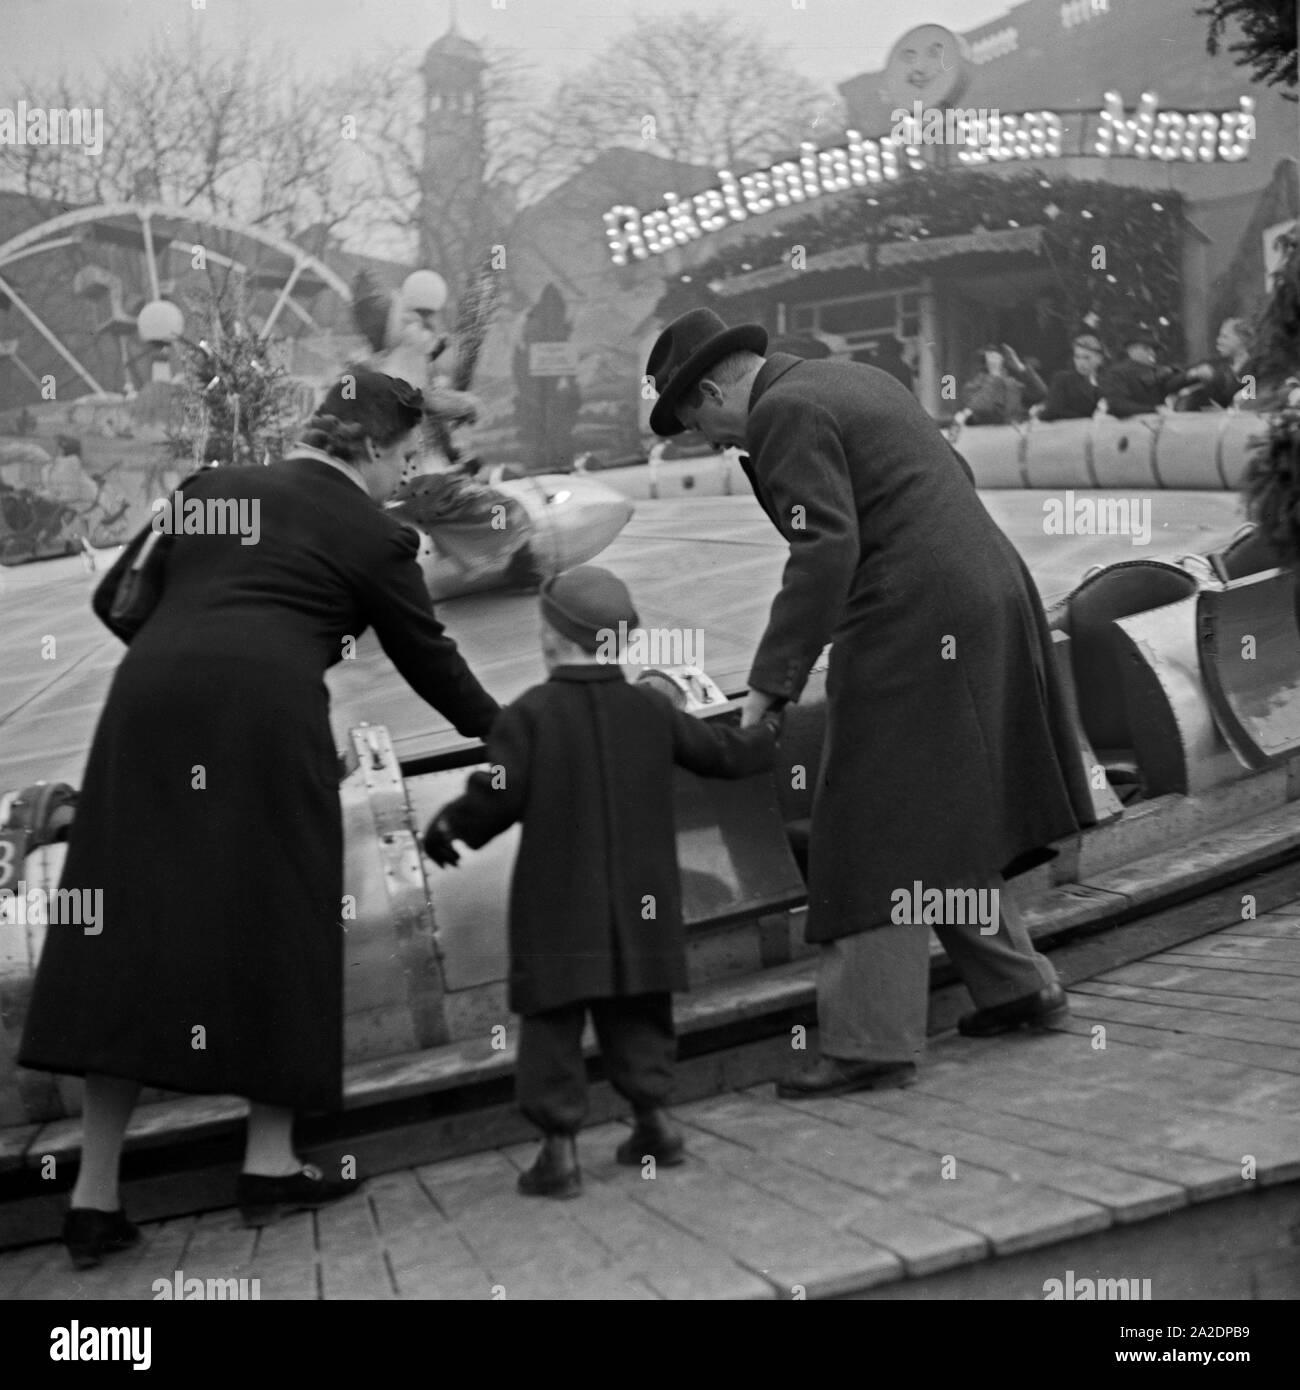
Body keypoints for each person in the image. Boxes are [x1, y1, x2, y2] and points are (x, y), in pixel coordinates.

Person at [18, 368, 501, 1267]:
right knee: (280, 918)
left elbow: (112, 596)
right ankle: (268, 1166)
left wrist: (193, 649)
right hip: (265, 718)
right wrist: (514, 735)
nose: (403, 477)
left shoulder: (211, 491)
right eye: (401, 458)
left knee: (123, 926)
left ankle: (92, 1199)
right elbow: (430, 658)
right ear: (366, 449)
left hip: (145, 709)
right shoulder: (371, 530)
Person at [646, 308, 1088, 1098]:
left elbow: (824, 551)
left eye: (700, 425)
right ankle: (1021, 985)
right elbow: (951, 476)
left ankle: (870, 1041)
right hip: (988, 590)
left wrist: (769, 689)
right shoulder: (853, 380)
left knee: (867, 822)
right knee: (936, 808)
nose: (714, 444)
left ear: (713, 388)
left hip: (913, 616)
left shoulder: (782, 412)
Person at [422, 565, 780, 1196]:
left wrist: (451, 826)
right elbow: (725, 755)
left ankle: (558, 1152)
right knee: (641, 1008)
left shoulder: (530, 716)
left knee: (553, 1021)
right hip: (642, 907)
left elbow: (498, 797)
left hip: (560, 911)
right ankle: (656, 1123)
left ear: (549, 637)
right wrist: (768, 732)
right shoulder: (650, 709)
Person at [1171, 317, 1254, 411]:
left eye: (1225, 337)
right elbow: (1174, 381)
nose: (1218, 341)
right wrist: (1193, 373)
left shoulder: (1255, 369)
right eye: (1220, 336)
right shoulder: (1213, 365)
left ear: (1240, 339)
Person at [1096, 326, 1181, 417]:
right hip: (1129, 428)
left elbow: (1173, 383)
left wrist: (1187, 374)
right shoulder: (1116, 373)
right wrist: (1154, 410)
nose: (1152, 353)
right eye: (1146, 348)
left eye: (1154, 349)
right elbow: (1117, 405)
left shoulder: (1157, 371)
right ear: (1131, 350)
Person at [954, 343, 1045, 425]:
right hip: (987, 439)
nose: (1001, 369)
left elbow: (1040, 393)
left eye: (1001, 364)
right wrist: (994, 376)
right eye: (992, 363)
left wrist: (1019, 366)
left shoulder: (1012, 386)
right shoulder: (971, 388)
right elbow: (980, 408)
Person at [1035, 333, 1106, 421]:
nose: (1081, 362)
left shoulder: (1108, 384)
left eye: (1086, 357)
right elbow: (1052, 412)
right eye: (1077, 357)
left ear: (1099, 359)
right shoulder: (1063, 379)